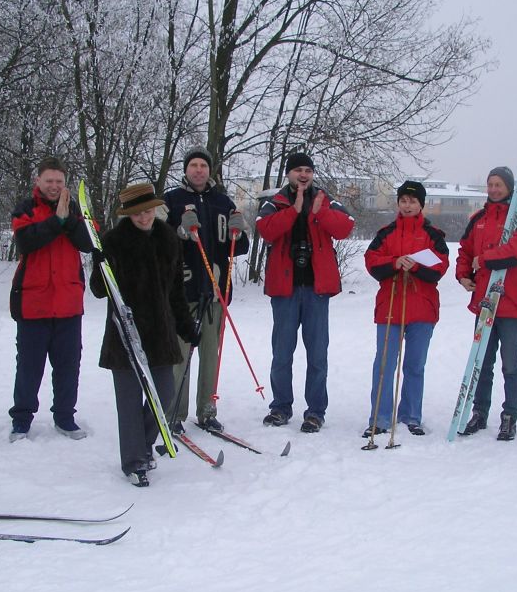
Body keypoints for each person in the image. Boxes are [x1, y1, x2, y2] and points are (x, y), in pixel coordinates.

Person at [90, 183, 198, 486]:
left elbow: (176, 291)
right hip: (124, 333)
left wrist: (186, 326)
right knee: (128, 402)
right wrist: (99, 264)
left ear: (155, 208)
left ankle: (144, 444)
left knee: (164, 395)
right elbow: (98, 290)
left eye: (147, 210)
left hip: (160, 333)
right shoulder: (113, 241)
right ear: (128, 214)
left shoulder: (168, 239)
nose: (143, 216)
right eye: (136, 212)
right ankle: (134, 460)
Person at [256, 151, 354, 433]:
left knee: (317, 355)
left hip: (316, 290)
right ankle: (280, 407)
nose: (303, 175)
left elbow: (345, 228)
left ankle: (315, 412)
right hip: (285, 290)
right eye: (298, 170)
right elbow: (266, 230)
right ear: (289, 174)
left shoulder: (325, 199)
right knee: (282, 354)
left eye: (308, 170)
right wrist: (294, 210)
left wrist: (319, 212)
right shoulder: (275, 202)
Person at [163, 147, 250, 433]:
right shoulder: (172, 199)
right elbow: (159, 241)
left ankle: (207, 411)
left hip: (215, 292)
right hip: (183, 292)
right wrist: (179, 231)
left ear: (210, 170)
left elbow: (239, 248)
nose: (199, 170)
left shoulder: (222, 201)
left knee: (211, 357)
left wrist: (239, 232)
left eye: (203, 165)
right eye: (194, 165)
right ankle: (175, 413)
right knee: (180, 357)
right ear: (186, 170)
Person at [7, 157, 93, 442]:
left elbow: (88, 243)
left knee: (68, 366)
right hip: (34, 304)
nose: (54, 186)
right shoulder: (26, 208)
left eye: (59, 181)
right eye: (49, 181)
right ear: (38, 181)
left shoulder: (75, 208)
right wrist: (56, 221)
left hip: (68, 303)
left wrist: (68, 220)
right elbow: (26, 241)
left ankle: (65, 417)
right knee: (29, 367)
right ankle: (21, 420)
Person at [454, 166, 517, 441]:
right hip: (485, 303)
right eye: (490, 184)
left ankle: (509, 415)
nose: (494, 189)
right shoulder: (479, 218)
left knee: (510, 364)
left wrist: (485, 260)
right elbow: (465, 250)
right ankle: (479, 411)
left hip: (512, 303)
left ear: (510, 187)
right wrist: (463, 274)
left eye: (499, 184)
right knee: (482, 362)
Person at [363, 181, 449, 438]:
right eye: (403, 200)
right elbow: (371, 261)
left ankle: (411, 416)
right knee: (384, 365)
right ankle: (380, 418)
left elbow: (440, 267)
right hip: (390, 306)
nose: (407, 205)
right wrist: (394, 262)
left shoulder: (433, 234)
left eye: (412, 201)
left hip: (422, 308)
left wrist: (417, 267)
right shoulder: (386, 232)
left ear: (421, 204)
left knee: (414, 365)